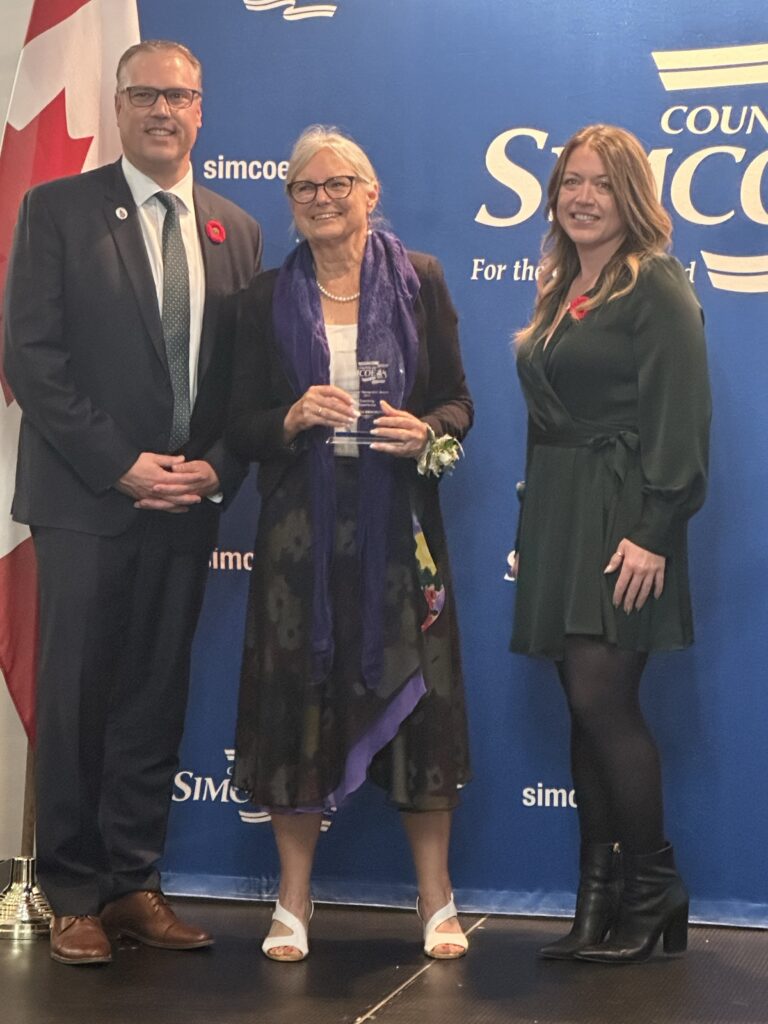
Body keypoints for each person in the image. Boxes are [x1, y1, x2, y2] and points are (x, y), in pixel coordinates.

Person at [3, 40, 262, 965]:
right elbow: (32, 356)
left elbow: (245, 382)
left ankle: (130, 884)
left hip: (187, 508)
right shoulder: (57, 210)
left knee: (154, 699)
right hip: (86, 502)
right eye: (146, 94)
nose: (164, 110)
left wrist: (217, 466)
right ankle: (70, 895)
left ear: (202, 111)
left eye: (181, 96)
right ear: (118, 107)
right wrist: (122, 465)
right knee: (77, 697)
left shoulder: (236, 227)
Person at [228, 125, 472, 962]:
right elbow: (237, 424)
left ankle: (436, 901)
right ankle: (292, 900)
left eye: (340, 184)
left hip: (401, 531)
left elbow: (459, 405)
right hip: (299, 536)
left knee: (425, 710)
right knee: (295, 707)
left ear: (372, 194)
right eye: (306, 187)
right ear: (290, 204)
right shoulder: (261, 299)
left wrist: (425, 429)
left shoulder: (422, 282)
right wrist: (291, 416)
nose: (324, 198)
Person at [510, 124, 711, 964]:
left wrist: (654, 531)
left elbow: (684, 419)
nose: (581, 197)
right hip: (560, 515)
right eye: (569, 182)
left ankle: (654, 886)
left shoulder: (657, 285)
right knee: (581, 712)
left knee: (605, 703)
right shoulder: (560, 287)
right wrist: (532, 530)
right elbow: (546, 423)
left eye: (599, 183)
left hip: (625, 517)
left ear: (630, 196)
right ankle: (596, 901)